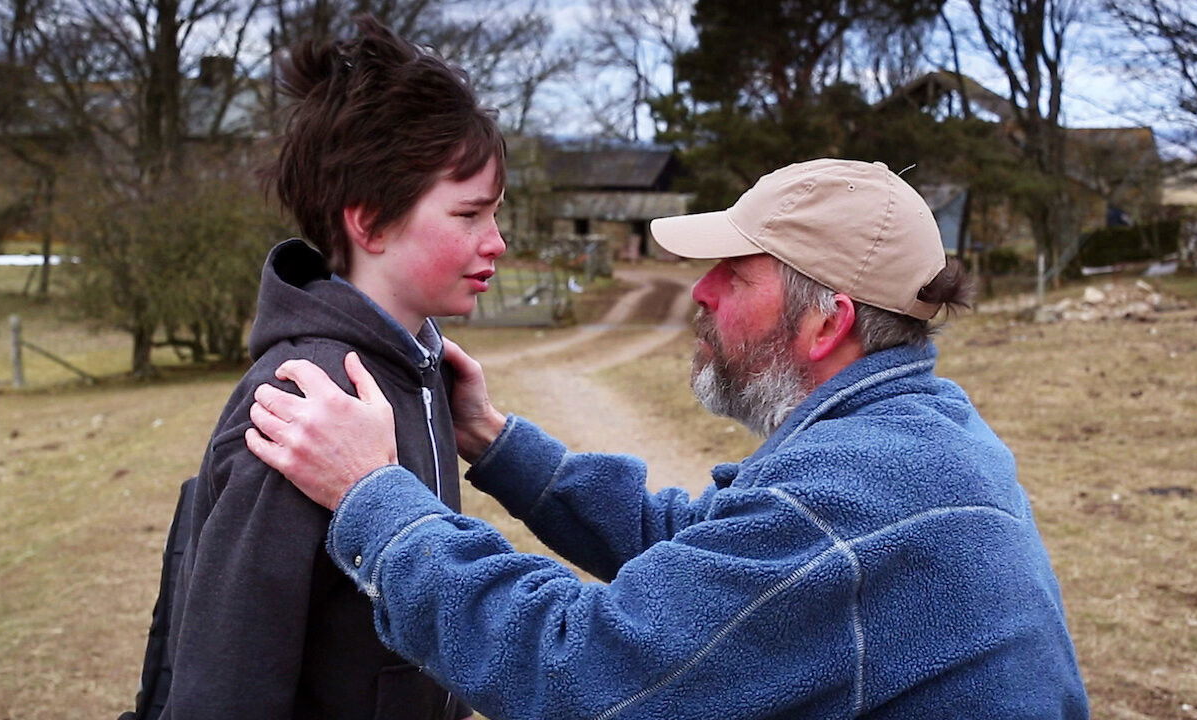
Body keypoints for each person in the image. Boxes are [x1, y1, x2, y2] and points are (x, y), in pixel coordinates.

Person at [246, 159, 1090, 719]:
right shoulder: (915, 433)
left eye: (737, 272)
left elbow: (580, 671)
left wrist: (373, 499)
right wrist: (492, 438)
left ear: (828, 321)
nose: (701, 292)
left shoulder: (846, 502)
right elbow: (698, 553)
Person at [156, 14, 502, 719]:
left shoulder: (423, 370)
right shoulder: (305, 400)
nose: (496, 241)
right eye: (469, 215)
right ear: (369, 222)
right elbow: (227, 679)